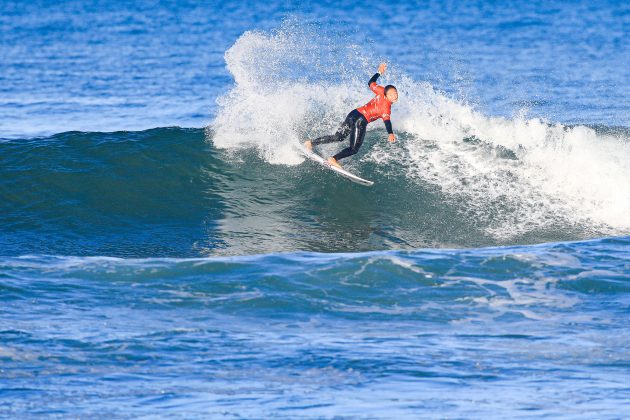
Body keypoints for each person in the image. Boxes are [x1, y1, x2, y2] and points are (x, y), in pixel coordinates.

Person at [304, 62, 398, 168]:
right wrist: (390, 133)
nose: (394, 96)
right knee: (353, 149)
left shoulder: (381, 90)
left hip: (353, 114)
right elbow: (387, 121)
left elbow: (371, 82)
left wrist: (379, 72)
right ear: (385, 96)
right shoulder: (386, 107)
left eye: (395, 93)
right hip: (360, 120)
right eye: (391, 94)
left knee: (338, 137)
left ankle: (310, 143)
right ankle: (333, 159)